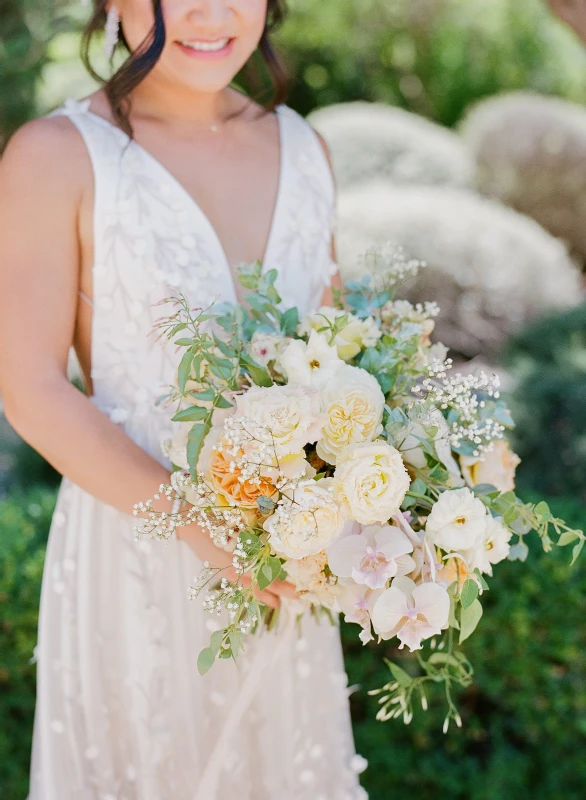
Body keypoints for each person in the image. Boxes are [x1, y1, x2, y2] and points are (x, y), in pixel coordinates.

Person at [0, 1, 368, 798]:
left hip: (284, 565)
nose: (208, 12)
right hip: (137, 553)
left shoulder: (307, 149)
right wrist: (203, 530)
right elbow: (29, 389)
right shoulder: (56, 156)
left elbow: (337, 369)